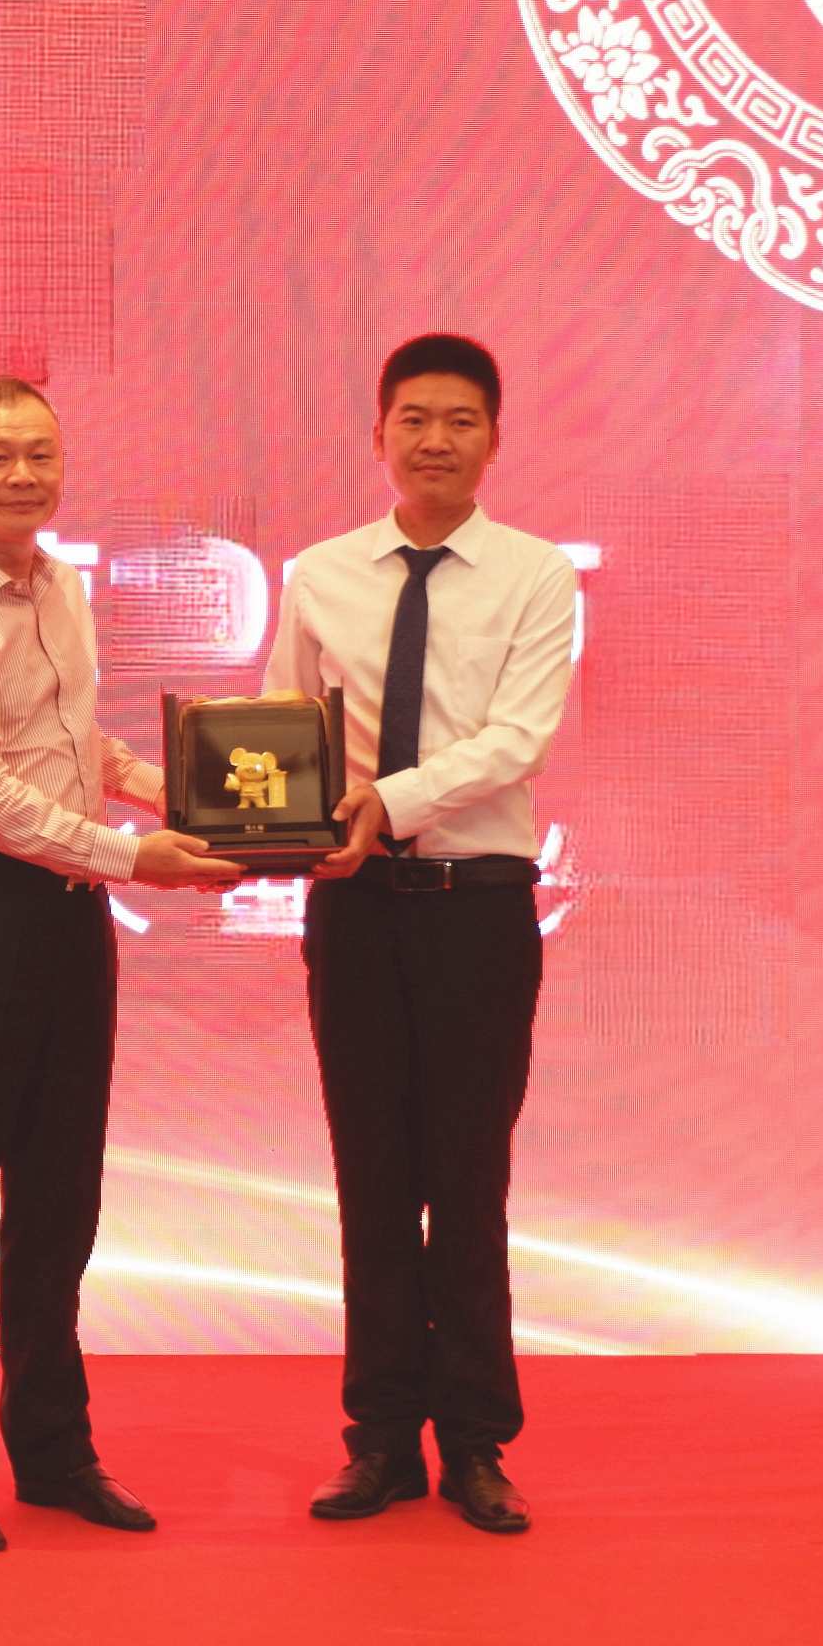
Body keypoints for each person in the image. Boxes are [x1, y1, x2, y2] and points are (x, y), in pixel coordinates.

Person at [0, 375, 241, 1553]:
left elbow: (70, 748)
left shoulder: (59, 583)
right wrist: (133, 855)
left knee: (60, 1203)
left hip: (70, 922)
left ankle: (55, 1448)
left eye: (41, 453)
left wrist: (181, 789)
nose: (23, 475)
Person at [261, 332, 577, 1535]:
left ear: (495, 438)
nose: (435, 440)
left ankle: (478, 1442)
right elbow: (281, 725)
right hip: (354, 910)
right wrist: (263, 822)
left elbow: (518, 739)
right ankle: (382, 1438)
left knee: (469, 1178)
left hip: (476, 906)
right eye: (414, 419)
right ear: (379, 434)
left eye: (460, 420)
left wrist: (387, 800)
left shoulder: (536, 576)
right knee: (373, 1179)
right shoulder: (321, 573)